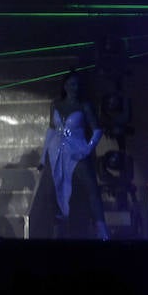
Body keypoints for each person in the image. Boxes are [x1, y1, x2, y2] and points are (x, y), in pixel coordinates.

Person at [37, 70, 110, 240]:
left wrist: (87, 150)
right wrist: (42, 157)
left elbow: (97, 130)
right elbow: (51, 130)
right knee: (54, 189)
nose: (74, 88)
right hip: (56, 151)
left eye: (77, 84)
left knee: (91, 187)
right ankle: (57, 231)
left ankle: (102, 229)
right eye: (71, 84)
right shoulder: (55, 104)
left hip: (76, 149)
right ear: (65, 86)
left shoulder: (84, 106)